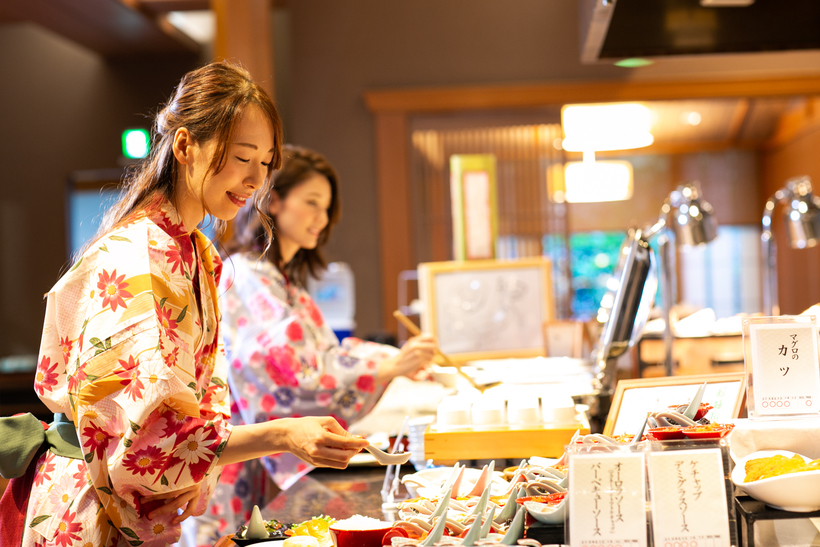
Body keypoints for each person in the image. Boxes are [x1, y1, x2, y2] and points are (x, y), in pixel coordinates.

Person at [4, 61, 369, 547]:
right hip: (91, 502)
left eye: (264, 163)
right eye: (242, 158)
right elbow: (155, 434)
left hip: (123, 493)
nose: (254, 179)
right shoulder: (144, 254)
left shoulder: (194, 249)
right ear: (184, 146)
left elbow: (192, 406)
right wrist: (282, 434)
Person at [181, 145, 437, 545]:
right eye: (312, 203)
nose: (321, 218)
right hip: (235, 463)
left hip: (256, 463)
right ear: (275, 200)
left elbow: (328, 354)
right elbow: (292, 374)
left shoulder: (284, 281)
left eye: (326, 208)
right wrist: (389, 367)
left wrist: (394, 359)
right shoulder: (248, 276)